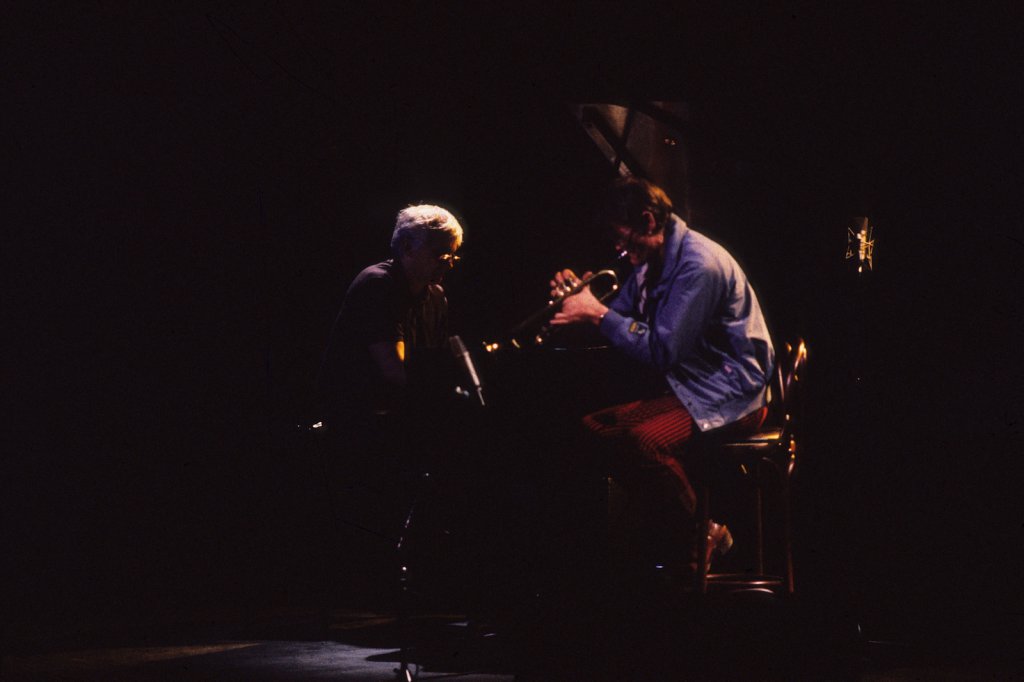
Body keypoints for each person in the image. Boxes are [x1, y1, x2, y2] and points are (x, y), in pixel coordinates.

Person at [549, 176, 775, 575]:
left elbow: (660, 350)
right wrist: (577, 302)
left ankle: (697, 536)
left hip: (731, 393)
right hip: (692, 387)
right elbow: (620, 315)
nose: (619, 251)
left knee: (642, 442)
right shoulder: (650, 262)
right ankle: (690, 531)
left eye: (623, 239)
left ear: (649, 222)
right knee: (595, 428)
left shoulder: (698, 265)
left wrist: (596, 314)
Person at [317, 204, 464, 428]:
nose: (450, 264)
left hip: (403, 418)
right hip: (358, 422)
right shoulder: (377, 284)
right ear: (407, 247)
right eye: (441, 255)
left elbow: (434, 363)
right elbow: (395, 371)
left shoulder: (436, 295)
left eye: (453, 256)